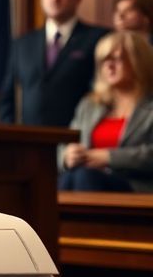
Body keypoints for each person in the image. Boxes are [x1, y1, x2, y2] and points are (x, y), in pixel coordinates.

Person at [0, 0, 109, 127]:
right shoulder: (22, 44)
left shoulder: (98, 38)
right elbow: (7, 96)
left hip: (78, 138)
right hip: (30, 138)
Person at [59, 31, 153, 192]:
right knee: (69, 177)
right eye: (104, 60)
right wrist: (67, 156)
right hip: (84, 180)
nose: (109, 65)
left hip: (135, 188)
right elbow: (67, 143)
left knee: (83, 176)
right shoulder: (89, 105)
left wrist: (109, 157)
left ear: (139, 61)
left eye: (117, 58)